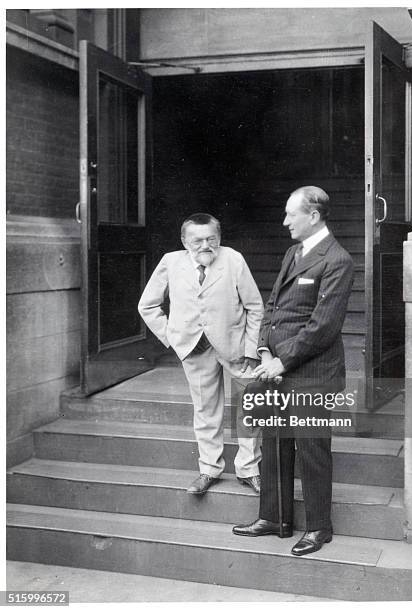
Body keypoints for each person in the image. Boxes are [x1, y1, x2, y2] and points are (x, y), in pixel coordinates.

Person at [232, 186, 354, 556]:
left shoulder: (337, 260)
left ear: (313, 216)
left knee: (312, 449)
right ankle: (274, 517)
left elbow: (323, 326)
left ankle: (319, 528)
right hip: (277, 367)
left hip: (312, 372)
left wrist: (281, 362)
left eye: (291, 215)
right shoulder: (292, 253)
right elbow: (271, 306)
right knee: (274, 442)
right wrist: (266, 348)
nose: (285, 221)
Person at [138, 213, 264, 495]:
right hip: (194, 348)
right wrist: (173, 336)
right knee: (206, 410)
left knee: (250, 408)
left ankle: (249, 469)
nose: (205, 245)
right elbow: (147, 306)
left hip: (236, 347)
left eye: (211, 238)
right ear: (184, 241)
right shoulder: (171, 262)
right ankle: (209, 469)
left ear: (219, 238)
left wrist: (251, 349)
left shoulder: (233, 259)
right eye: (197, 240)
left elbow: (255, 307)